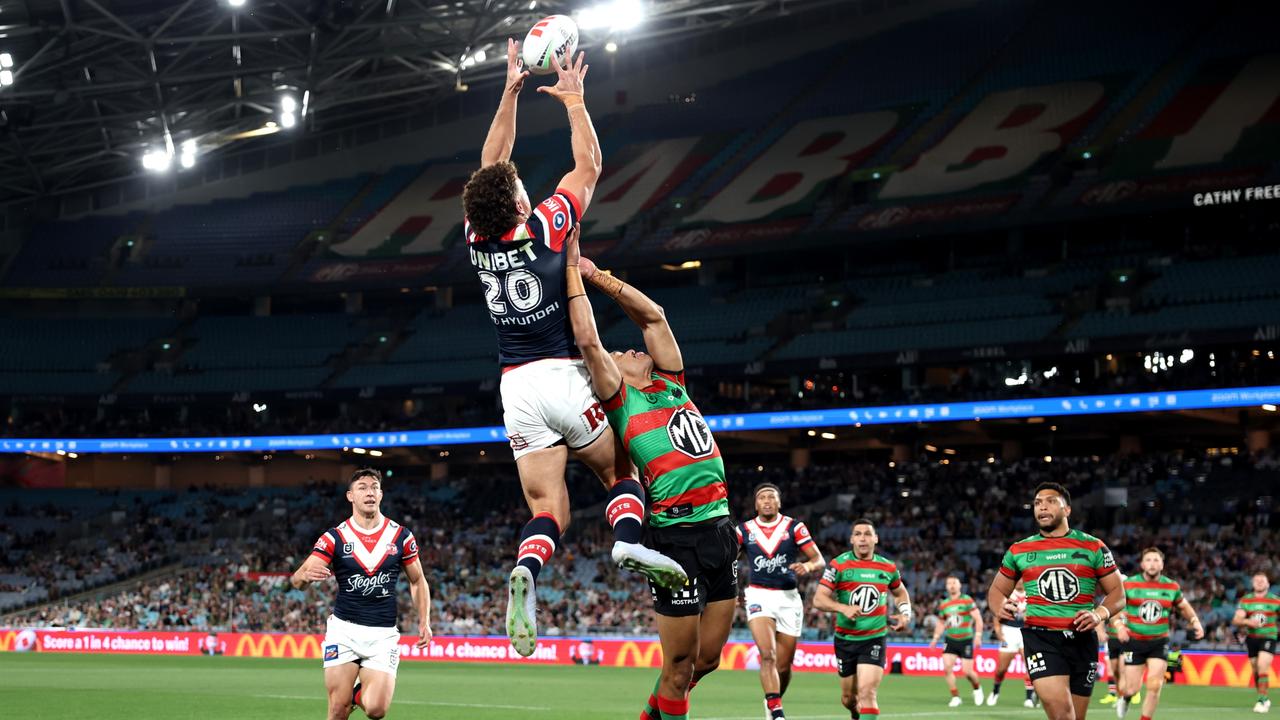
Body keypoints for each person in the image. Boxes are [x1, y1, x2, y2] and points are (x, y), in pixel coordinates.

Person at [462, 39, 685, 656]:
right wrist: (575, 103)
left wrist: (509, 90)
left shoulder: (477, 240)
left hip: (515, 388)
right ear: (517, 202)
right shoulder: (546, 225)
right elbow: (588, 165)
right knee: (621, 468)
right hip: (564, 371)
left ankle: (527, 572)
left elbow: (491, 162)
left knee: (548, 505)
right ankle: (629, 539)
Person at [564, 228, 737, 720]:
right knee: (678, 666)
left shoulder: (671, 380)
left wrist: (600, 276)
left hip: (721, 528)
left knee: (707, 661)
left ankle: (650, 713)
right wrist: (573, 272)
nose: (631, 349)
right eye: (624, 352)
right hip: (674, 538)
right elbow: (589, 340)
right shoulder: (620, 397)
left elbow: (653, 316)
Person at [289, 468, 432, 720]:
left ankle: (349, 697)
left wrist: (425, 621)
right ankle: (343, 701)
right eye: (362, 487)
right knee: (336, 710)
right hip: (344, 631)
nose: (369, 492)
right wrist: (305, 577)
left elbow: (418, 580)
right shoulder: (335, 537)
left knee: (377, 709)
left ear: (381, 494)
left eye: (374, 487)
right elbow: (297, 580)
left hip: (382, 634)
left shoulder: (401, 536)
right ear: (350, 496)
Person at [988, 482, 1125, 720]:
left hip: (1083, 639)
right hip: (1041, 639)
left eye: (1051, 501)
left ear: (1067, 509)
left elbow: (1118, 594)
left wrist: (1098, 614)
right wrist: (999, 607)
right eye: (1038, 503)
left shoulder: (1093, 546)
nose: (1042, 507)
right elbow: (996, 591)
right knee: (1063, 715)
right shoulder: (1019, 550)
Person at [737, 483, 826, 720]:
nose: (767, 501)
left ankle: (772, 699)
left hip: (788, 599)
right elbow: (728, 563)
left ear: (779, 502)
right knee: (768, 655)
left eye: (771, 497)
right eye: (762, 498)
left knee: (784, 667)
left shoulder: (794, 527)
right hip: (758, 595)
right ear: (756, 504)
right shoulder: (744, 530)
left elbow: (819, 560)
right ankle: (777, 711)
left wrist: (807, 565)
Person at [813, 518, 913, 720]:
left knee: (868, 693)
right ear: (851, 539)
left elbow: (901, 593)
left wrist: (905, 613)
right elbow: (818, 599)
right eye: (858, 534)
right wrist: (842, 608)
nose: (863, 538)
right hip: (845, 639)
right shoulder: (838, 565)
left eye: (867, 533)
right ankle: (854, 712)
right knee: (849, 698)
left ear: (876, 538)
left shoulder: (887, 568)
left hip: (874, 638)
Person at [1112, 547, 1204, 720]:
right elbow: (1114, 609)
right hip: (1134, 642)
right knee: (1132, 688)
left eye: (1156, 560)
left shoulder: (1171, 586)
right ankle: (1125, 698)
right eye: (1148, 560)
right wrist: (1119, 626)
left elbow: (1183, 606)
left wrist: (1195, 622)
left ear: (1162, 564)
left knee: (1154, 685)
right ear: (1142, 564)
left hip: (1159, 642)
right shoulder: (1129, 584)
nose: (1152, 563)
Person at [929, 575, 984, 707]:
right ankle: (955, 697)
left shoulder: (967, 600)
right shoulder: (944, 604)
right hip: (950, 639)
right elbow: (941, 622)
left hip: (965, 640)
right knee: (947, 668)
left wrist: (978, 635)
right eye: (949, 583)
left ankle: (977, 688)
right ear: (946, 587)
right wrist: (935, 638)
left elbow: (978, 618)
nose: (952, 585)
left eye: (954, 583)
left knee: (967, 672)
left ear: (960, 585)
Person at [1233, 572, 1279, 714]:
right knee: (1256, 670)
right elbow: (1236, 619)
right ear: (1252, 583)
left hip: (1268, 637)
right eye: (1256, 580)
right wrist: (1247, 621)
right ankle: (1263, 697)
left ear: (1268, 584)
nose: (1259, 582)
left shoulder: (1275, 601)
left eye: (1262, 580)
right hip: (1252, 638)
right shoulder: (1246, 600)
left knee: (1262, 665)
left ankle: (1262, 700)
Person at [988, 580, 1038, 708]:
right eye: (1018, 580)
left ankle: (1029, 697)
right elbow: (997, 614)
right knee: (1001, 669)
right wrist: (998, 631)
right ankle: (995, 691)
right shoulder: (1007, 595)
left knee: (1030, 667)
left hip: (1026, 632)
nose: (1020, 582)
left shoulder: (1032, 594)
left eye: (1022, 580)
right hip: (1009, 631)